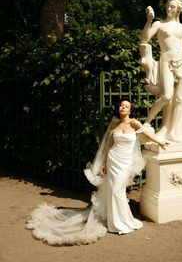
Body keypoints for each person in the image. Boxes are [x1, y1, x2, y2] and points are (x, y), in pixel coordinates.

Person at [26, 98, 166, 245]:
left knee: (118, 190)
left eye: (126, 106)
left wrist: (160, 142)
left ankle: (124, 221)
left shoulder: (134, 123)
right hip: (113, 160)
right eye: (121, 106)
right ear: (119, 109)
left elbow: (146, 135)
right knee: (114, 191)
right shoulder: (115, 125)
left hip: (125, 163)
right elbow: (108, 146)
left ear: (130, 110)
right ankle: (117, 223)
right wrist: (104, 163)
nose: (123, 107)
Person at [139, 0, 182, 142]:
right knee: (167, 96)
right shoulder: (159, 24)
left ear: (177, 10)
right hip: (167, 61)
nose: (169, 9)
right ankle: (147, 122)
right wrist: (148, 21)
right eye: (167, 6)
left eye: (172, 7)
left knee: (179, 99)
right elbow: (144, 40)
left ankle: (171, 132)